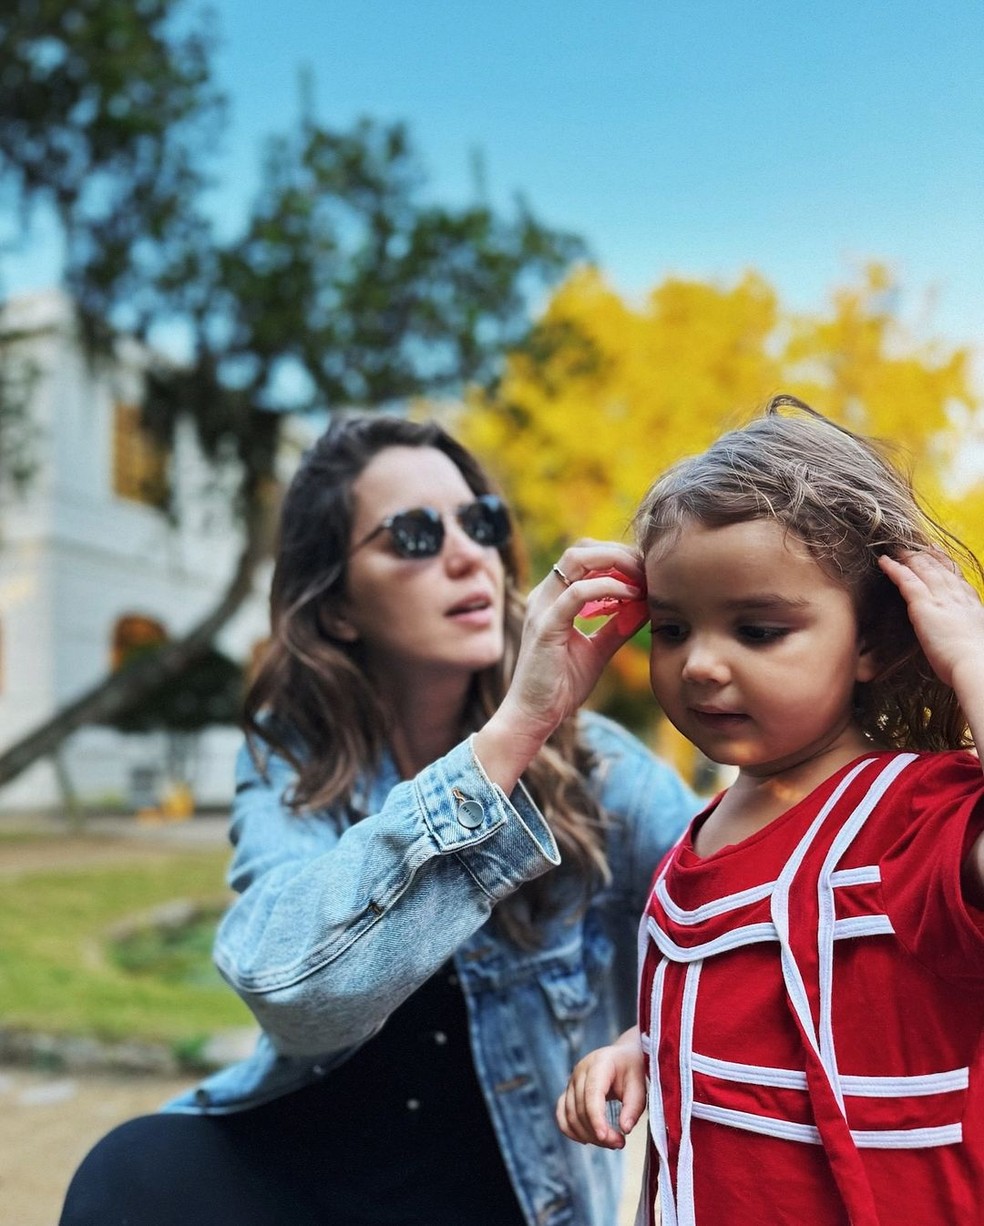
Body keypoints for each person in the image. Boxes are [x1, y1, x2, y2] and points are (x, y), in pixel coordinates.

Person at [60, 413, 697, 1226]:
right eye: (414, 535)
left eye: (480, 522)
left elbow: (747, 927)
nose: (468, 553)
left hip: (500, 1198)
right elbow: (293, 994)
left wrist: (652, 1036)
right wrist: (506, 741)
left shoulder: (603, 771)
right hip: (304, 1172)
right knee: (134, 1173)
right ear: (336, 611)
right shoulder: (295, 760)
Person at [557, 395, 984, 1226]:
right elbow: (770, 1004)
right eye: (673, 629)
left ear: (877, 644)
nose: (701, 666)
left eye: (757, 631)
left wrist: (972, 660)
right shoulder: (697, 839)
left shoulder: (914, 815)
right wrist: (650, 1049)